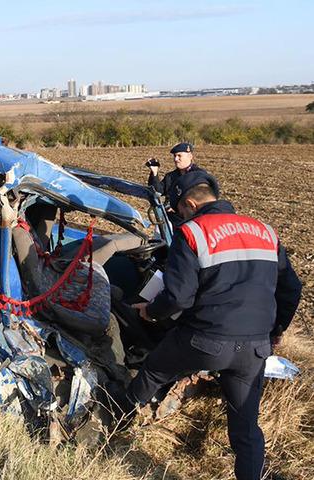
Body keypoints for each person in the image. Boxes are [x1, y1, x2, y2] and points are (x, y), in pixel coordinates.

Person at [125, 170, 302, 480]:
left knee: (154, 369)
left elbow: (178, 298)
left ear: (191, 204)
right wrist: (275, 331)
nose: (179, 216)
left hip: (205, 341)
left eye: (179, 210)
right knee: (246, 429)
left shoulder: (193, 231)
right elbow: (291, 290)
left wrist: (150, 313)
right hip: (255, 347)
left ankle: (116, 421)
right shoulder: (266, 231)